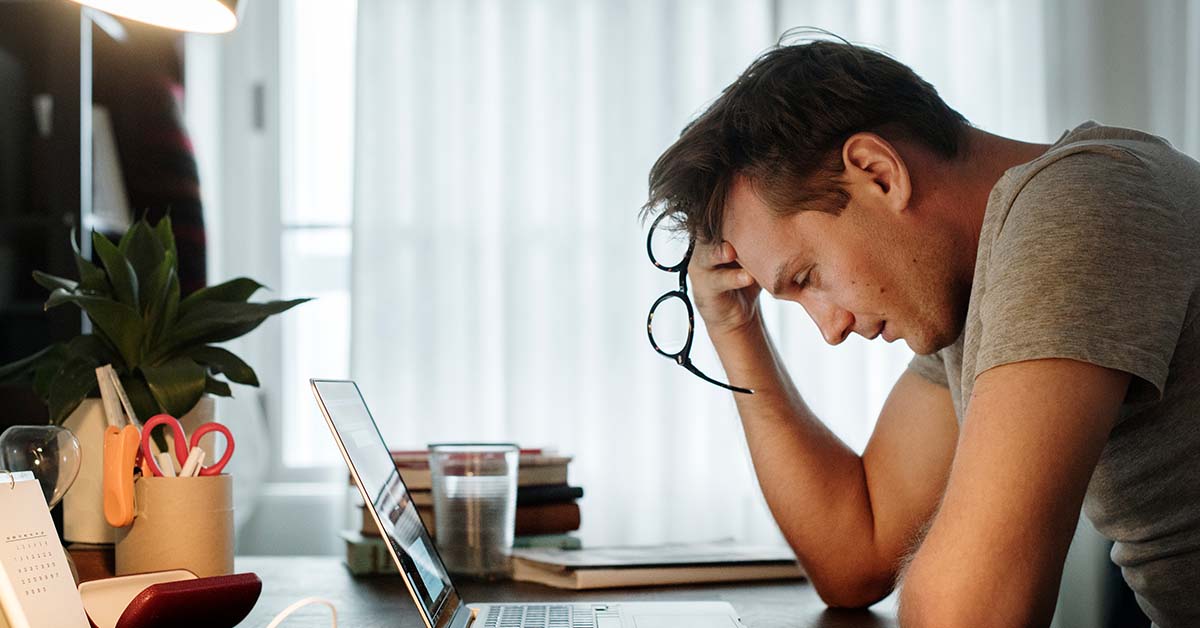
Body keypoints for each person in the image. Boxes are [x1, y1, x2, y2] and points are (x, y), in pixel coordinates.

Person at [642, 33, 1200, 628]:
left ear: (878, 173)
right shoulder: (974, 285)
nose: (830, 329)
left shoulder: (1082, 206)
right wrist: (734, 326)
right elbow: (856, 555)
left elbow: (972, 616)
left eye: (808, 276)